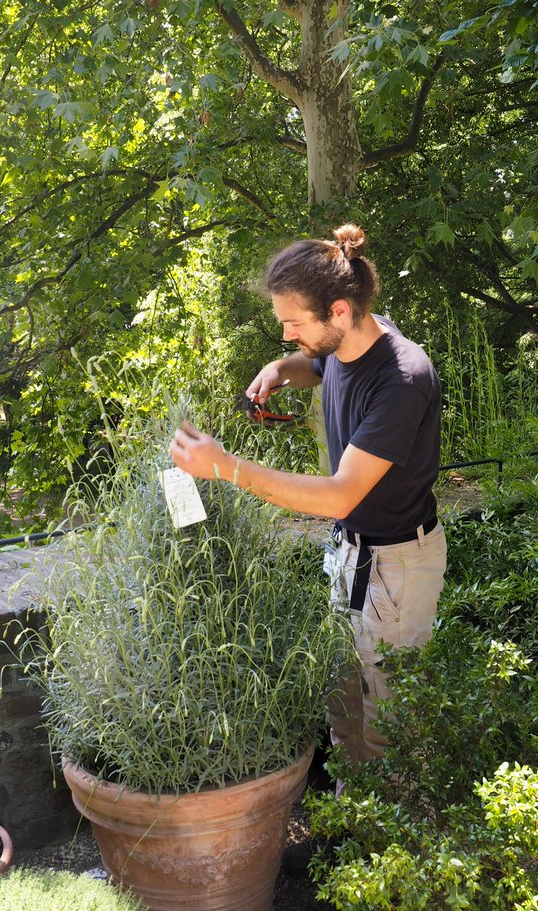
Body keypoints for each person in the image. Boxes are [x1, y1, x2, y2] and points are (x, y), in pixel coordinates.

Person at [168, 223, 446, 771]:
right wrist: (279, 370)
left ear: (339, 311)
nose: (288, 334)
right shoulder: (349, 338)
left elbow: (340, 495)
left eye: (293, 324)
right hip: (350, 556)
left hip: (395, 568)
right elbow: (318, 364)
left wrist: (224, 466)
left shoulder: (402, 378)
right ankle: (352, 834)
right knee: (343, 710)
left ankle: (393, 848)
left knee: (390, 730)